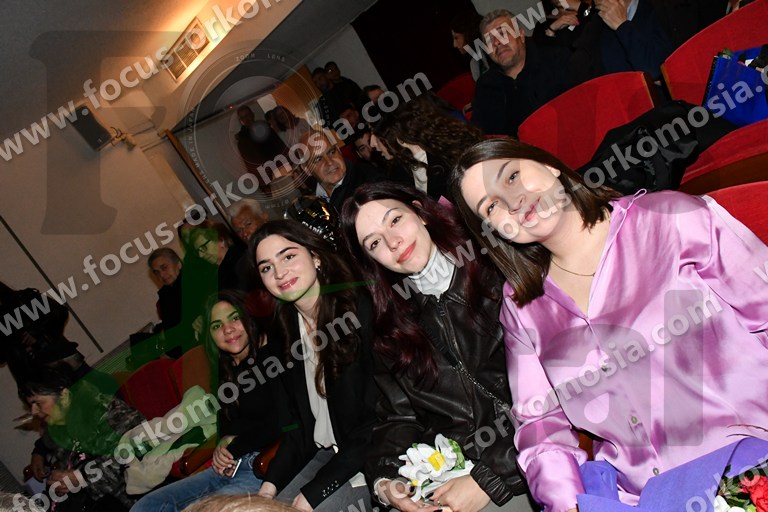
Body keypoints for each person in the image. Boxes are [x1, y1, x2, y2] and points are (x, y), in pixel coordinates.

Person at [450, 138, 768, 511]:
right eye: (491, 207)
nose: (513, 201)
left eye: (512, 176)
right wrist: (565, 501)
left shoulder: (673, 220)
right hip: (640, 497)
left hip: (745, 468)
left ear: (549, 165)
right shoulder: (521, 305)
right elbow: (539, 424)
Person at [339, 182, 535, 512]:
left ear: (420, 213)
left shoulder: (495, 268)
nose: (393, 242)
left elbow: (556, 390)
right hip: (451, 472)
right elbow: (399, 415)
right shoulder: (391, 325)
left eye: (395, 220)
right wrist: (386, 481)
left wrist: (489, 479)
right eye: (374, 243)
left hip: (523, 457)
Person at [250, 220, 378, 512]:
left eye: (288, 256)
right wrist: (267, 490)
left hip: (371, 453)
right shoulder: (284, 334)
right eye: (266, 268)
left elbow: (377, 421)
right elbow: (298, 427)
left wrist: (314, 493)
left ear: (315, 256)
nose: (279, 273)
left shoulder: (359, 311)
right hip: (326, 453)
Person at [131, 290, 283, 512]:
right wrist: (223, 441)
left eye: (234, 318)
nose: (227, 329)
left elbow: (285, 420)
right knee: (145, 507)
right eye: (216, 325)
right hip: (226, 467)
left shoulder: (272, 357)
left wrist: (235, 444)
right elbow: (227, 421)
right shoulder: (225, 370)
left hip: (263, 465)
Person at [18, 367, 145, 511]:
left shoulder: (109, 412)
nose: (34, 411)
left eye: (38, 403)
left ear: (65, 396)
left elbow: (135, 455)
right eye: (30, 405)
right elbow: (72, 469)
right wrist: (63, 482)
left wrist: (81, 478)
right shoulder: (60, 428)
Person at [471, 10, 577, 137]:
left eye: (503, 33)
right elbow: (482, 136)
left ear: (521, 35)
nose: (497, 42)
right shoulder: (485, 87)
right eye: (489, 40)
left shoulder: (555, 61)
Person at [370, 95, 484, 202]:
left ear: (397, 134)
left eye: (376, 134)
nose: (372, 143)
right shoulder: (400, 170)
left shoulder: (452, 154)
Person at [299, 130, 383, 211]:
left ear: (338, 149)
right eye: (318, 159)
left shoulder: (371, 181)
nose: (329, 162)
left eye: (331, 152)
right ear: (307, 169)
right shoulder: (310, 206)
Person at [235, 106, 288, 193]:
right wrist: (264, 185)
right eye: (243, 117)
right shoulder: (243, 141)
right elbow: (251, 165)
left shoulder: (265, 127)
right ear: (241, 121)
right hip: (269, 178)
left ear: (252, 115)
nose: (246, 119)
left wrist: (290, 162)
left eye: (247, 115)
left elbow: (280, 146)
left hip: (282, 168)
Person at [189, 221, 249, 292]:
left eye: (203, 247)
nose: (201, 255)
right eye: (197, 251)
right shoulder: (210, 272)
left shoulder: (241, 262)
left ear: (221, 240)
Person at [450, 7, 491, 81]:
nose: (454, 45)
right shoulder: (474, 63)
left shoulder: (495, 50)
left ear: (469, 34)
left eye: (456, 38)